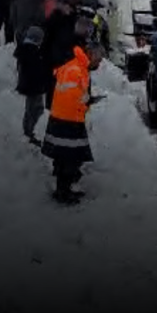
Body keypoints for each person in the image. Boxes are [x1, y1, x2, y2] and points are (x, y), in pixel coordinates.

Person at [42, 43, 106, 204]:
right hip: (67, 120)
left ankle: (64, 189)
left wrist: (88, 100)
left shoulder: (77, 66)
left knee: (66, 157)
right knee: (69, 157)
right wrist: (86, 102)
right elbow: (73, 98)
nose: (99, 64)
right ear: (90, 55)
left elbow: (76, 94)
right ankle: (62, 193)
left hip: (64, 118)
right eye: (98, 60)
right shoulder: (76, 70)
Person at [15, 26, 51, 146]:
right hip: (33, 87)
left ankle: (29, 131)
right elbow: (36, 71)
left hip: (29, 85)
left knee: (32, 109)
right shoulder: (32, 52)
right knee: (35, 109)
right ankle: (30, 133)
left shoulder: (25, 50)